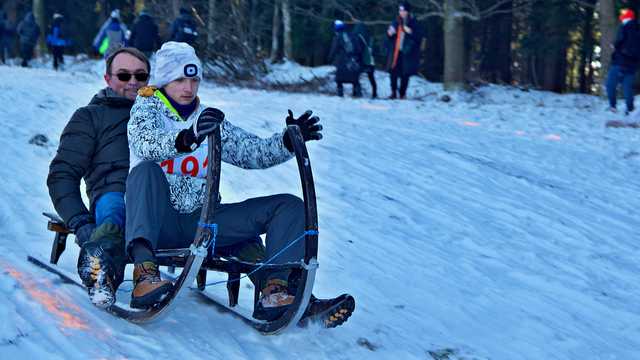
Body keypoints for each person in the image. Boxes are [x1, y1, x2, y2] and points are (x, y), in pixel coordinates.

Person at [126, 42, 353, 327]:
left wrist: (286, 141)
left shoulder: (208, 118)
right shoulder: (146, 108)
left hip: (204, 222)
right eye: (180, 80)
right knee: (145, 171)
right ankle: (145, 274)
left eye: (194, 80)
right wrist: (185, 138)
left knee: (289, 206)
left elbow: (252, 152)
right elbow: (145, 144)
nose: (189, 87)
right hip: (160, 224)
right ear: (163, 81)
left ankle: (276, 289)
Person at [47, 48, 151, 308]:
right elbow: (62, 175)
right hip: (114, 193)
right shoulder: (90, 117)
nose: (133, 82)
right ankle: (100, 272)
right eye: (124, 75)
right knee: (116, 209)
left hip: (156, 197)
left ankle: (262, 272)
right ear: (107, 78)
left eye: (140, 75)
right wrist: (81, 223)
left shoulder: (161, 117)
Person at [385, 2, 422, 99]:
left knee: (405, 74)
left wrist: (410, 32)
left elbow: (418, 37)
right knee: (393, 72)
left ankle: (402, 93)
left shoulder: (413, 22)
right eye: (400, 10)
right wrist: (389, 33)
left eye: (404, 10)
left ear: (408, 11)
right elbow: (389, 36)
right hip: (395, 52)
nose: (402, 12)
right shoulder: (396, 21)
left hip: (407, 53)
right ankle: (393, 92)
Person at [606, 8, 640, 115]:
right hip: (632, 64)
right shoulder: (637, 29)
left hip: (620, 62)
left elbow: (622, 43)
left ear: (626, 18)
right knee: (627, 87)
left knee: (610, 84)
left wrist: (615, 47)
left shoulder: (626, 28)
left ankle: (613, 107)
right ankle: (630, 109)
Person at [328, 20, 363, 98]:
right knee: (354, 78)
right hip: (354, 59)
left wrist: (330, 58)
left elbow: (334, 49)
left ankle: (340, 93)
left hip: (343, 61)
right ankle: (357, 93)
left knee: (339, 78)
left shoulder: (338, 37)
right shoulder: (353, 35)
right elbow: (359, 48)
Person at [353, 22, 377, 99]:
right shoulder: (369, 37)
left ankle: (356, 92)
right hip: (370, 61)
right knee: (371, 77)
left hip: (362, 61)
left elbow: (358, 50)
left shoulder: (357, 37)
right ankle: (374, 93)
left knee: (356, 75)